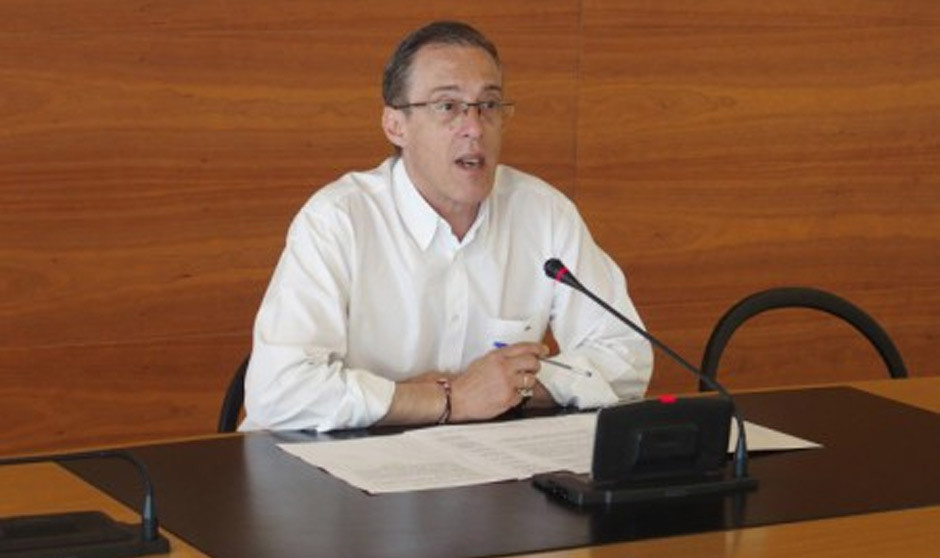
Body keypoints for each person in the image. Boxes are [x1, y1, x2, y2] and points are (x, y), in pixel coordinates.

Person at [240, 20, 652, 432]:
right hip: (328, 463)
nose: (475, 127)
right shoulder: (338, 219)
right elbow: (277, 391)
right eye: (447, 106)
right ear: (395, 125)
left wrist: (513, 386)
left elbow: (627, 356)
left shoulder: (544, 213)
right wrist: (449, 398)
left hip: (476, 460)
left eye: (489, 105)